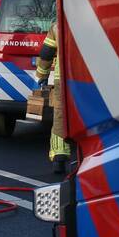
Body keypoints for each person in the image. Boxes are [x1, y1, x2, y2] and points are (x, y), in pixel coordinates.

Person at [36, 21, 69, 174]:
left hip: (62, 80)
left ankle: (59, 156)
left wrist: (42, 74)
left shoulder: (57, 26)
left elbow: (47, 53)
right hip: (89, 78)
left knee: (60, 116)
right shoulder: (96, 19)